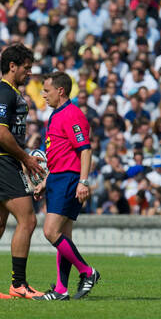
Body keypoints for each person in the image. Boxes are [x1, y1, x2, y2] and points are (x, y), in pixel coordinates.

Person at [33, 72, 100, 301]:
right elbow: (58, 152)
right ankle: (61, 289)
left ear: (60, 90)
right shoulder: (55, 115)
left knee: (50, 232)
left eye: (47, 90)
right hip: (57, 177)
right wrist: (46, 180)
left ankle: (87, 272)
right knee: (63, 236)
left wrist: (83, 181)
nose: (44, 95)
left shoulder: (72, 114)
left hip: (68, 179)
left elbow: (85, 149)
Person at [0, 44, 46, 300]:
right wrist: (25, 158)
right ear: (12, 66)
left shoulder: (11, 92)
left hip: (8, 160)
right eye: (26, 68)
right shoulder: (4, 92)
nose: (29, 73)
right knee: (27, 220)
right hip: (4, 161)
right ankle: (19, 284)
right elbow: (1, 132)